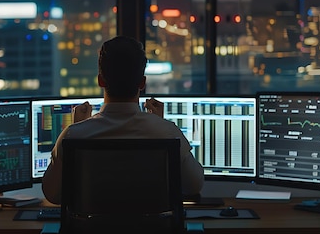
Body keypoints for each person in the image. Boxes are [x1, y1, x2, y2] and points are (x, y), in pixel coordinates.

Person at [42, 36, 205, 204]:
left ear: (100, 80)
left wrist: (78, 127)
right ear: (142, 83)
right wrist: (159, 125)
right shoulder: (167, 133)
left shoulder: (73, 135)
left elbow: (52, 194)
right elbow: (194, 186)